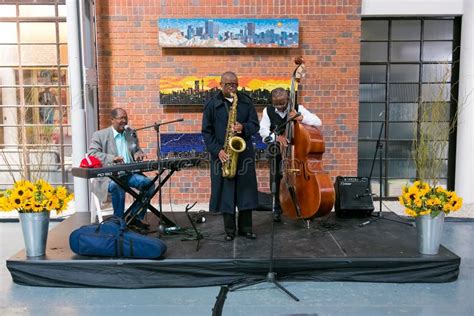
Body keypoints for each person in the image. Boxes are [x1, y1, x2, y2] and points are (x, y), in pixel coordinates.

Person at [202, 71, 259, 241]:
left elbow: (254, 125)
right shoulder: (212, 104)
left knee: (245, 193)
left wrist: (243, 128)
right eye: (228, 84)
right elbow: (206, 132)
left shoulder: (246, 102)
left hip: (244, 155)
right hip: (223, 155)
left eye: (235, 84)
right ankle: (229, 231)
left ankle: (246, 229)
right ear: (221, 85)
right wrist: (218, 150)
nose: (232, 87)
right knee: (226, 195)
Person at [259, 87, 322, 222]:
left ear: (288, 99)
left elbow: (318, 121)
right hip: (277, 150)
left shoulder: (297, 107)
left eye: (282, 103)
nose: (279, 107)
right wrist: (277, 138)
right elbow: (263, 132)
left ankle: (302, 205)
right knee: (275, 178)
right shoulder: (268, 111)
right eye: (276, 104)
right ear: (272, 101)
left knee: (299, 178)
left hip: (295, 152)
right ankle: (277, 208)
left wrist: (301, 117)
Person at [88, 108, 154, 231]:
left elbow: (136, 149)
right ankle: (118, 221)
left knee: (149, 185)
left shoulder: (130, 133)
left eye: (126, 118)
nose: (124, 121)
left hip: (129, 174)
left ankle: (135, 217)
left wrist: (138, 154)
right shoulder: (100, 135)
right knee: (117, 185)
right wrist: (112, 158)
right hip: (108, 177)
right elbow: (92, 154)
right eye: (121, 118)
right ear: (112, 120)